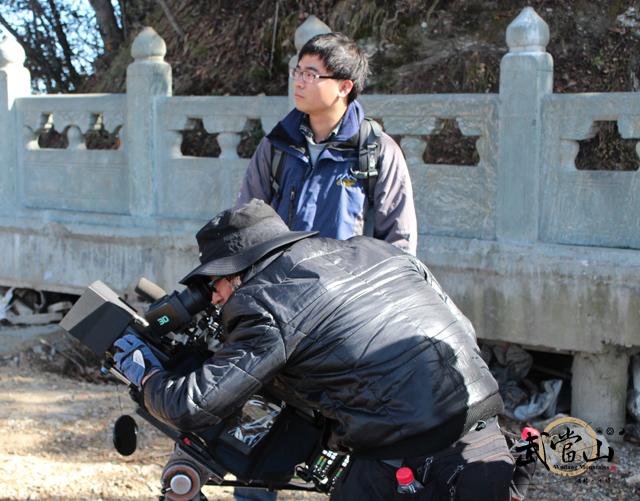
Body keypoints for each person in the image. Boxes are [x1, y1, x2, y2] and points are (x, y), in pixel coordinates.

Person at [113, 199, 514, 501]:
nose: (215, 299)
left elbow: (192, 406)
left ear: (237, 273)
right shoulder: (377, 250)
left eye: (212, 284)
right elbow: (462, 327)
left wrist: (144, 372)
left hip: (409, 462)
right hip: (489, 437)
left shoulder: (265, 300)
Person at [237, 32, 417, 256]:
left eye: (311, 75)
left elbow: (398, 241)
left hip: (347, 287)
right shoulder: (278, 144)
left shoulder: (375, 151)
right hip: (281, 285)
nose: (299, 82)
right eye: (298, 72)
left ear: (344, 87)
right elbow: (245, 223)